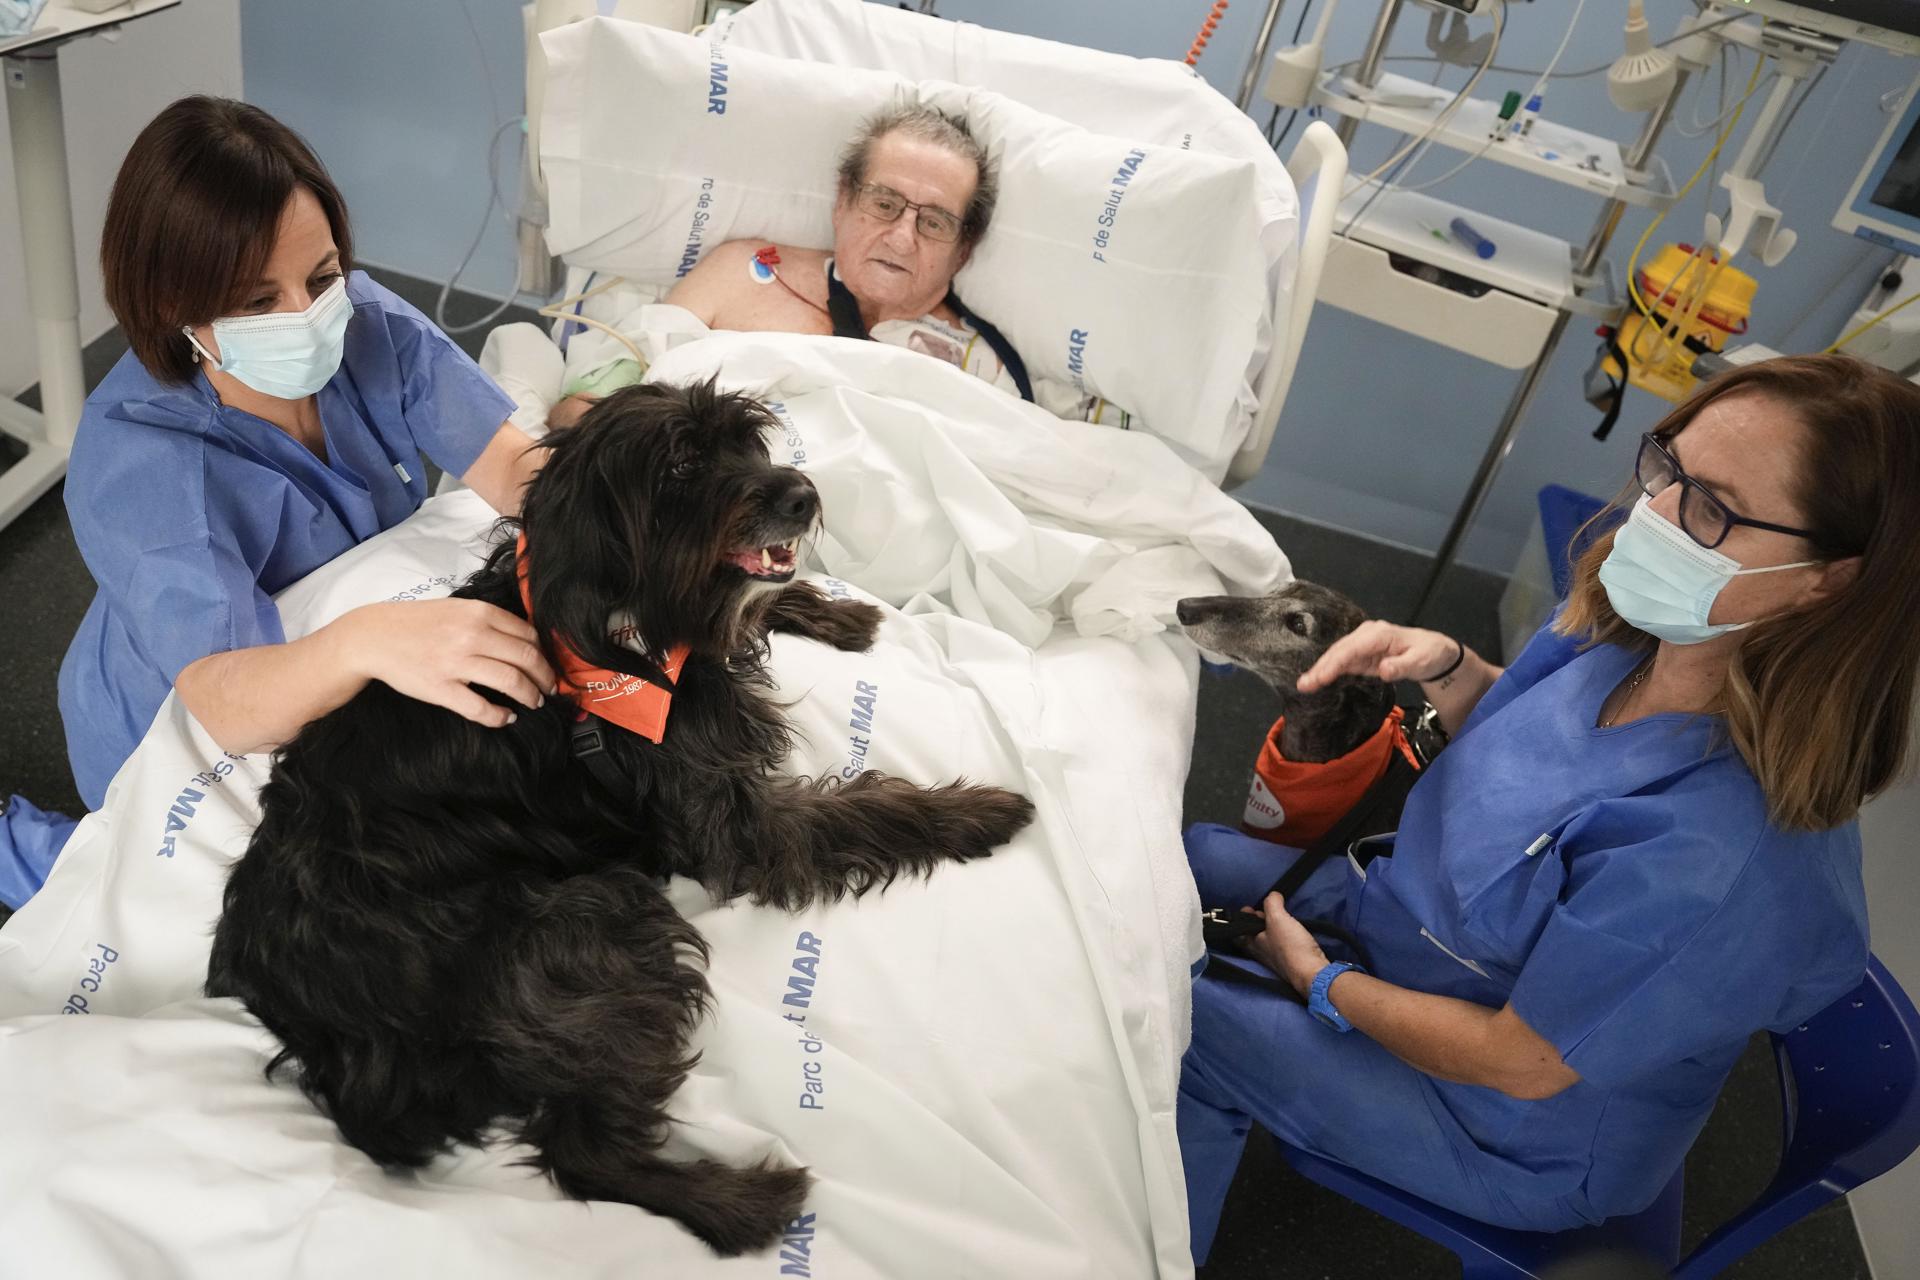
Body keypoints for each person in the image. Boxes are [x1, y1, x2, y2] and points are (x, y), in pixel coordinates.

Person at [1178, 353, 1919, 1257]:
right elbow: (1530, 738)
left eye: (1712, 510)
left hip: (1506, 1127)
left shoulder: (1721, 860)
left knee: (1177, 1022)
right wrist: (1449, 669)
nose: (1655, 517)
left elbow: (1520, 1062)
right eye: (1665, 468)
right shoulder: (1642, 637)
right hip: (1428, 937)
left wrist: (1321, 984)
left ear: (1828, 580)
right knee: (1189, 856)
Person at [0, 97, 557, 910]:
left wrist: (630, 511)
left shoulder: (365, 324)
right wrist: (368, 640)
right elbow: (227, 699)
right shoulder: (141, 459)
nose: (309, 314)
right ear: (169, 305)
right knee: (161, 904)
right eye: (259, 301)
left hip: (326, 646)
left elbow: (516, 468)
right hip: (175, 709)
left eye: (322, 276)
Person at [545, 105, 1057, 430]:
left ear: (963, 249)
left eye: (935, 223)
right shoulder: (741, 272)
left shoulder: (985, 369)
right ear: (842, 199)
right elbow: (594, 407)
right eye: (884, 203)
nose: (902, 237)